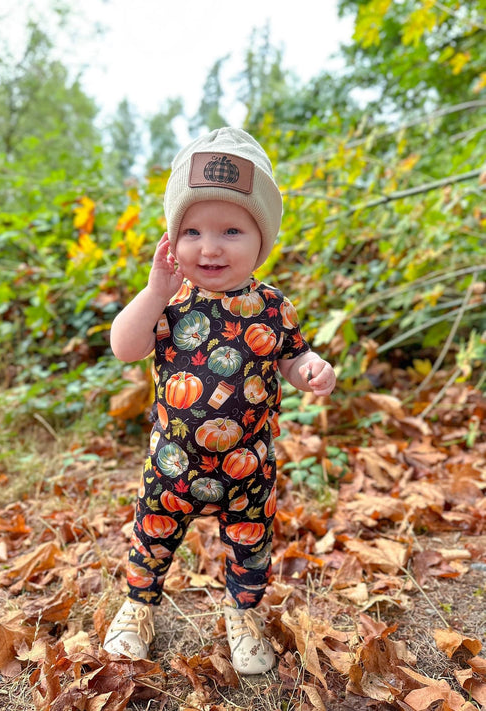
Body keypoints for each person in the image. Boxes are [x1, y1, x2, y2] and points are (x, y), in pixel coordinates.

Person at [103, 127, 336, 674]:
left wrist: (311, 370)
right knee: (152, 539)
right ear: (172, 239)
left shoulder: (272, 307)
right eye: (192, 231)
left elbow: (290, 358)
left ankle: (243, 612)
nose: (209, 247)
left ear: (262, 240)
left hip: (247, 465)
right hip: (172, 464)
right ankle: (138, 605)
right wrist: (155, 291)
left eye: (231, 229)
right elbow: (124, 347)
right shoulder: (169, 301)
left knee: (251, 545)